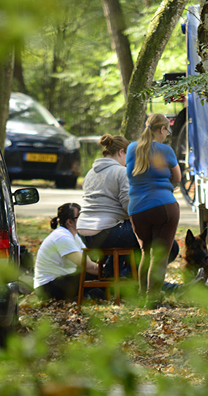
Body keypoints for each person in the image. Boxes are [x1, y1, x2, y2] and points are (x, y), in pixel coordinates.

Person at [77, 134, 179, 276]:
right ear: (121, 152)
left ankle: (123, 275)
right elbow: (130, 208)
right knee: (164, 243)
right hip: (106, 232)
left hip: (85, 235)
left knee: (137, 235)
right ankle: (137, 282)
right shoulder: (121, 172)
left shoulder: (90, 173)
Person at [127, 113, 182, 306]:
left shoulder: (132, 148)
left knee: (146, 252)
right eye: (168, 129)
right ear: (161, 129)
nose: (167, 133)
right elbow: (178, 177)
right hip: (163, 206)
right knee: (159, 256)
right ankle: (152, 301)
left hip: (137, 209)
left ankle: (142, 296)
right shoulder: (166, 151)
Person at [34, 203, 98, 301]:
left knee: (97, 278)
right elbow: (87, 266)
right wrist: (110, 271)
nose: (84, 219)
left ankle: (89, 296)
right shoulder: (62, 237)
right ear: (70, 222)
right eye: (80, 216)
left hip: (61, 281)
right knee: (93, 276)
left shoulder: (74, 236)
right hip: (47, 288)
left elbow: (88, 262)